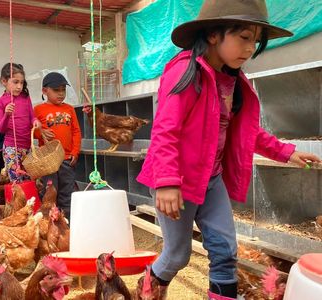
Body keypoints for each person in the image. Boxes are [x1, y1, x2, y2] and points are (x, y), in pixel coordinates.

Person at [136, 1, 321, 299]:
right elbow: (165, 129)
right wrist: (167, 181)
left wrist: (287, 152)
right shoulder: (185, 71)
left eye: (255, 41)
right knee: (177, 256)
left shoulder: (233, 80)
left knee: (225, 252)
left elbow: (248, 133)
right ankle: (146, 291)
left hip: (211, 181)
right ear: (213, 34)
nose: (250, 48)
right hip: (178, 183)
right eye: (244, 37)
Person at [34, 72, 81, 220]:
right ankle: (49, 226)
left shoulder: (69, 109)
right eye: (56, 90)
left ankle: (68, 225)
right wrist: (40, 133)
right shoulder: (38, 110)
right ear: (44, 91)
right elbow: (33, 131)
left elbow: (76, 131)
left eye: (63, 90)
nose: (61, 94)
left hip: (67, 159)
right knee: (49, 193)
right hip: (48, 161)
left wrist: (75, 151)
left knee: (67, 193)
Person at [0, 63, 42, 182]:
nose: (19, 86)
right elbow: (0, 129)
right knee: (16, 181)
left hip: (27, 146)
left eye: (21, 82)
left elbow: (32, 116)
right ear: (4, 81)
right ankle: (18, 201)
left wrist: (36, 121)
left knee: (29, 179)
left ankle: (30, 201)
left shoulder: (25, 97)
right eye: (15, 82)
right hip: (11, 147)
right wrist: (6, 115)